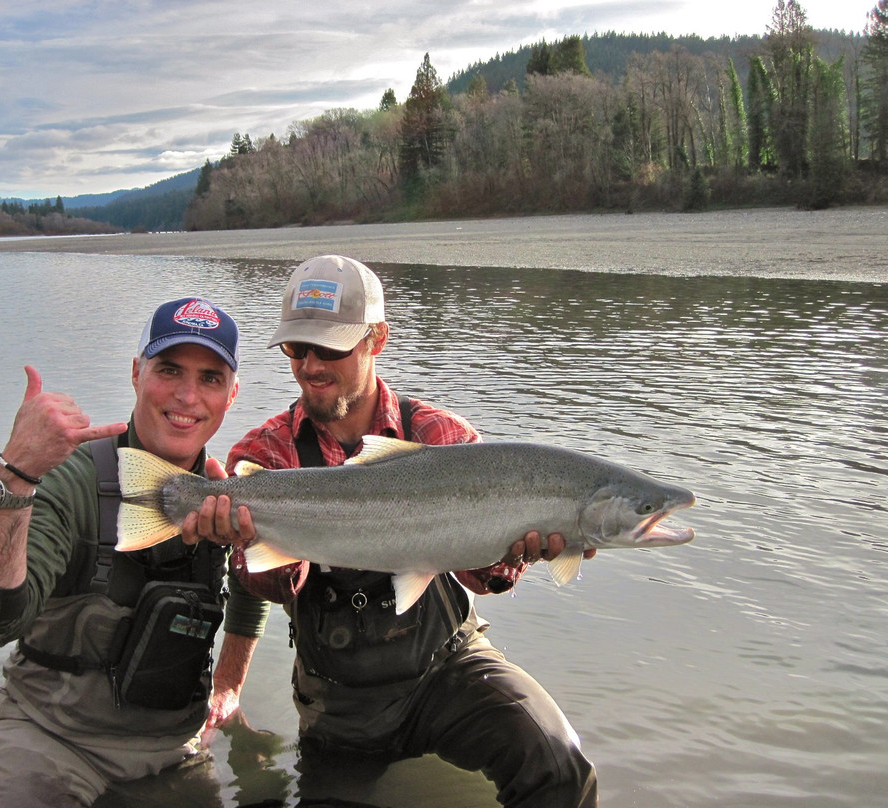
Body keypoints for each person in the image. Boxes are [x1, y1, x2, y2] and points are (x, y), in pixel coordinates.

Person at [194, 256, 599, 808]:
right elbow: (263, 585)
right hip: (338, 699)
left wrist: (520, 549)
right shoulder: (264, 456)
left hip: (449, 668)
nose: (310, 365)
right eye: (296, 348)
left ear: (376, 339)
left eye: (329, 348)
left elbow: (485, 580)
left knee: (559, 767)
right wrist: (248, 546)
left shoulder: (443, 435)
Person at [0, 297, 268, 807]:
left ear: (232, 395)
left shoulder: (226, 495)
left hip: (173, 747)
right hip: (49, 739)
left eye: (210, 378)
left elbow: (249, 588)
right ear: (136, 373)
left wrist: (229, 686)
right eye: (169, 370)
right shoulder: (67, 479)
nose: (188, 396)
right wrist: (13, 477)